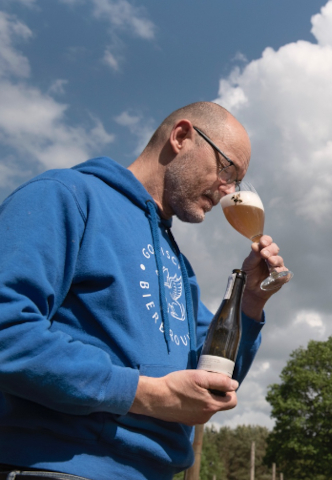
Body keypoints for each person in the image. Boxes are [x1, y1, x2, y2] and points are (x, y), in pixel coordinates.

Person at [0, 102, 290, 480]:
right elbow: (8, 331)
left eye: (237, 181)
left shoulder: (181, 267)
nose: (229, 191)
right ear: (182, 136)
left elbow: (213, 375)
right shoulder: (66, 195)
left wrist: (250, 302)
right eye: (227, 169)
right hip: (59, 466)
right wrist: (147, 394)